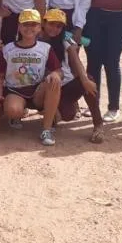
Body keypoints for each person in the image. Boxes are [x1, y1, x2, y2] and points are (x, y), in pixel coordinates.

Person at [0, 9, 61, 146]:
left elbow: (58, 70)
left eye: (33, 24)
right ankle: (18, 115)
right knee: (13, 110)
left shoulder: (45, 48)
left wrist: (55, 74)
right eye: (25, 24)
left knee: (55, 80)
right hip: (15, 91)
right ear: (19, 27)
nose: (29, 28)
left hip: (37, 91)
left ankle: (46, 130)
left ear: (39, 27)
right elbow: (0, 76)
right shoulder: (8, 49)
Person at [40, 9, 104, 143]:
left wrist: (85, 80)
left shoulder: (65, 39)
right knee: (61, 113)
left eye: (59, 26)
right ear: (44, 23)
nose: (54, 29)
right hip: (45, 87)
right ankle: (52, 112)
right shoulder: (37, 39)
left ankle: (98, 125)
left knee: (88, 84)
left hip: (65, 85)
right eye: (51, 24)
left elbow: (76, 60)